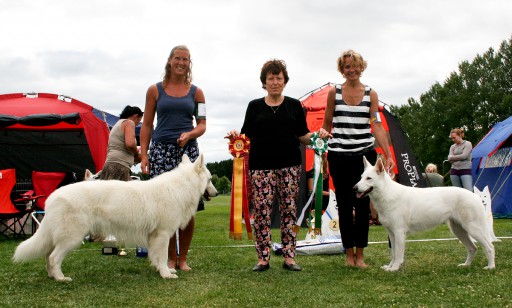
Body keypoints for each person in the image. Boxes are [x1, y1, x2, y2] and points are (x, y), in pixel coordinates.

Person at [227, 59, 313, 272]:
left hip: (290, 166)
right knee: (263, 213)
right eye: (271, 78)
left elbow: (303, 135)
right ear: (264, 82)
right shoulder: (254, 106)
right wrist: (235, 138)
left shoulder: (294, 105)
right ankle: (263, 258)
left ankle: (289, 257)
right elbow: (245, 137)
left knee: (289, 212)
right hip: (261, 167)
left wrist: (318, 138)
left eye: (279, 78)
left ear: (285, 81)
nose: (275, 82)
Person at [318, 50, 394, 268]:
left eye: (355, 66)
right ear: (342, 70)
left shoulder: (371, 94)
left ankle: (360, 255)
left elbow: (376, 125)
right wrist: (322, 140)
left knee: (362, 208)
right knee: (343, 205)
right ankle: (348, 254)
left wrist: (388, 155)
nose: (352, 70)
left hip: (364, 158)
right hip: (339, 156)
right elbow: (326, 123)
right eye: (347, 67)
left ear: (362, 67)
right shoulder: (335, 92)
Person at [139, 45, 207, 272]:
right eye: (177, 58)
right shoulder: (154, 90)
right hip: (161, 152)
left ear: (189, 63)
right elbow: (146, 125)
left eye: (185, 59)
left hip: (188, 155)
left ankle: (183, 258)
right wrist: (144, 154)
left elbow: (203, 125)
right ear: (169, 61)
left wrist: (190, 134)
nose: (181, 62)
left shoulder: (197, 93)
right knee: (162, 211)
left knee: (189, 209)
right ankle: (168, 259)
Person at [99, 105, 143, 181]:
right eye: (139, 121)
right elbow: (130, 144)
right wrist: (137, 155)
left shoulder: (117, 124)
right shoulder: (129, 123)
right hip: (120, 166)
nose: (137, 124)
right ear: (136, 116)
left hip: (111, 164)